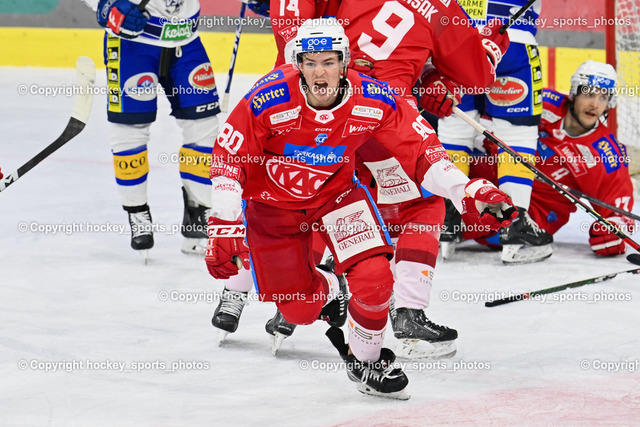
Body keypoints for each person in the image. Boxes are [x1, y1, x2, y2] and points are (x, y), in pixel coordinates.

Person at [204, 18, 516, 399]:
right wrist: (224, 222)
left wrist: (465, 190)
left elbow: (423, 151)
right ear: (297, 63)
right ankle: (330, 288)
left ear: (345, 62)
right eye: (311, 63)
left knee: (376, 279)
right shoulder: (267, 98)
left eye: (329, 62)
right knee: (300, 310)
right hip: (274, 211)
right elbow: (228, 159)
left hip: (336, 198)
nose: (320, 73)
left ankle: (368, 361)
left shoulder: (373, 98)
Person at [94, 0, 221, 258]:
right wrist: (105, 5)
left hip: (186, 40)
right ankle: (137, 212)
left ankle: (199, 214)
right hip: (132, 40)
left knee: (204, 126)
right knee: (130, 129)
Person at [437, 0, 551, 264]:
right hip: (513, 38)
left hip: (456, 37)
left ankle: (447, 218)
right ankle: (514, 224)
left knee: (455, 127)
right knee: (516, 132)